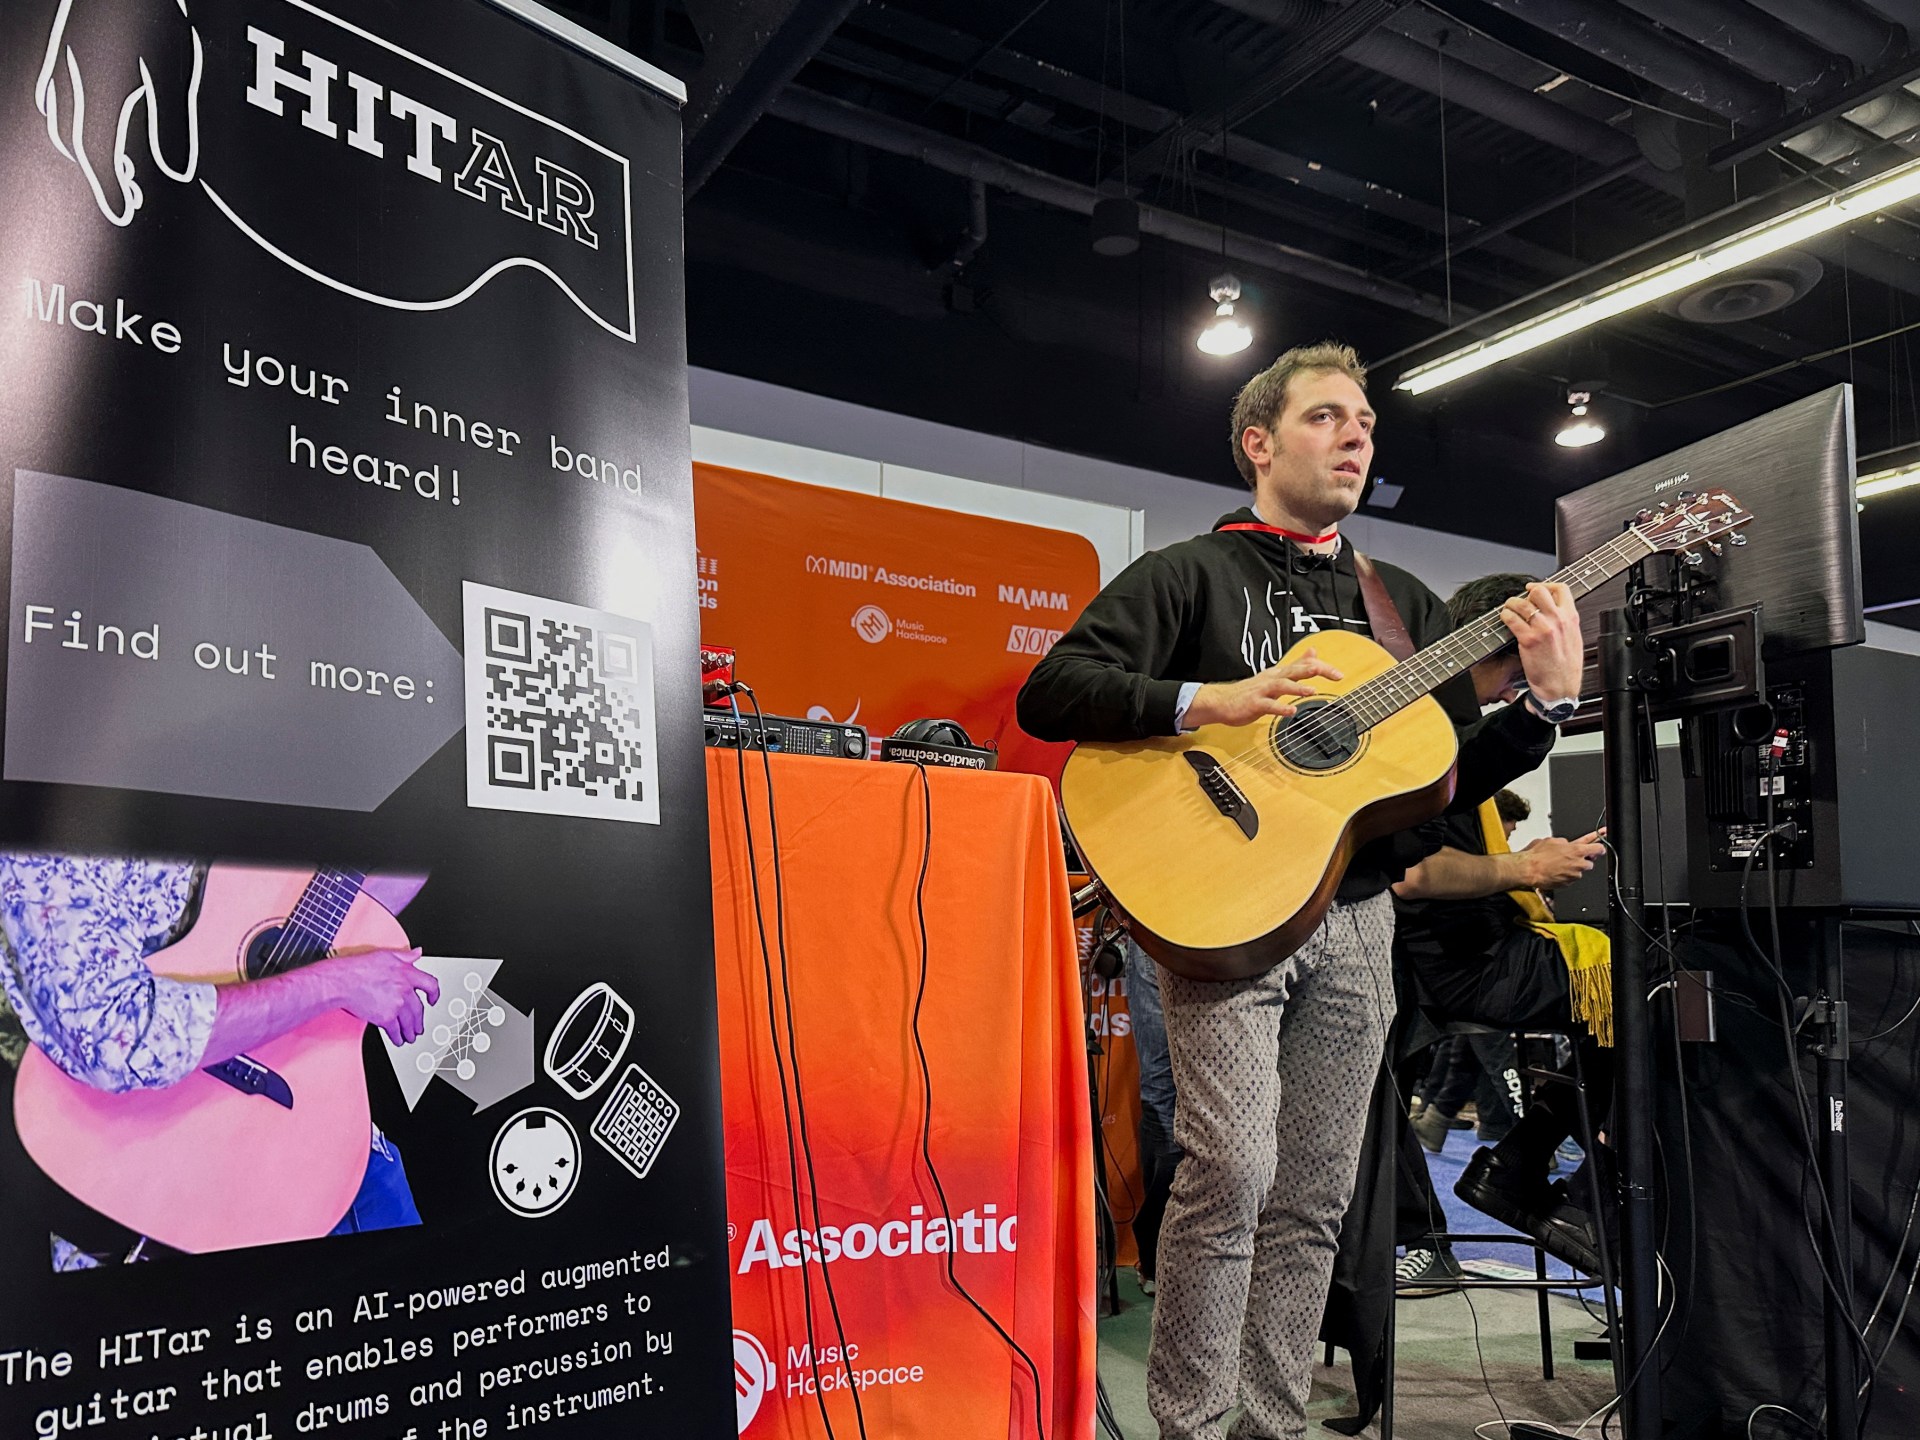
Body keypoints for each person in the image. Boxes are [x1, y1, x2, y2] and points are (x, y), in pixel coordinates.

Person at [1016, 343, 1584, 1440]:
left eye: (1365, 423)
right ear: (1260, 443)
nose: (1356, 436)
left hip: (1359, 919)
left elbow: (1442, 781)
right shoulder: (1192, 573)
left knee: (1316, 1191)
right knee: (1231, 1171)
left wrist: (1542, 711)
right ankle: (1192, 1424)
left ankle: (1270, 1425)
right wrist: (1209, 700)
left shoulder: (1399, 606)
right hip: (1223, 913)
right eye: (1327, 416)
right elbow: (1053, 692)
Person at [0, 853, 440, 1265]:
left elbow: (362, 902)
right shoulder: (52, 848)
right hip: (145, 1165)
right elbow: (120, 1038)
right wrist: (338, 982)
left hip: (324, 1147)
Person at [1392, 573, 1615, 1276]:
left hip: (1471, 950)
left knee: (1649, 981)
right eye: (1512, 677)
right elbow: (1414, 872)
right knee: (1659, 987)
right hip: (1469, 962)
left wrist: (1529, 864)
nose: (1505, 695)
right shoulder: (1428, 733)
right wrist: (1523, 869)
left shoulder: (1441, 729)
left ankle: (1522, 1164)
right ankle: (1548, 1177)